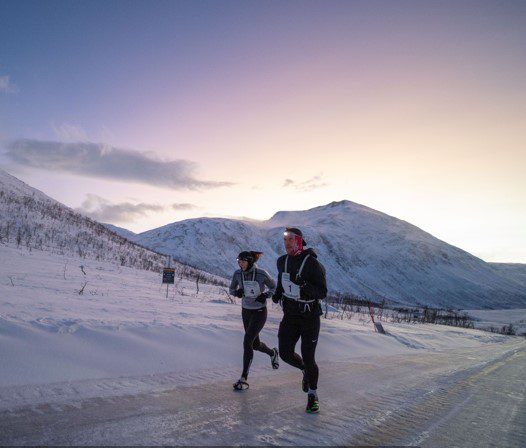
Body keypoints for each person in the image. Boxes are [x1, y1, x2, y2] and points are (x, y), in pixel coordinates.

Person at [272, 227, 327, 413]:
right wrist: (277, 294)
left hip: (309, 315)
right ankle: (303, 369)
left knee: (309, 356)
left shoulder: (312, 263)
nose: (287, 243)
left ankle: (313, 395)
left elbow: (322, 292)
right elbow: (282, 280)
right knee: (285, 353)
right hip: (290, 314)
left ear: (299, 241)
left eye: (291, 239)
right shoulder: (282, 261)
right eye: (285, 239)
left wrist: (304, 284)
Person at [229, 250, 279, 390]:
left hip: (259, 312)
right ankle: (273, 353)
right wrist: (237, 293)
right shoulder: (237, 274)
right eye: (238, 261)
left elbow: (274, 287)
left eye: (243, 261)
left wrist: (266, 295)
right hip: (246, 311)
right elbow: (231, 289)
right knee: (255, 344)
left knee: (247, 341)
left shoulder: (262, 274)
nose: (240, 263)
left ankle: (244, 378)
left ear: (250, 261)